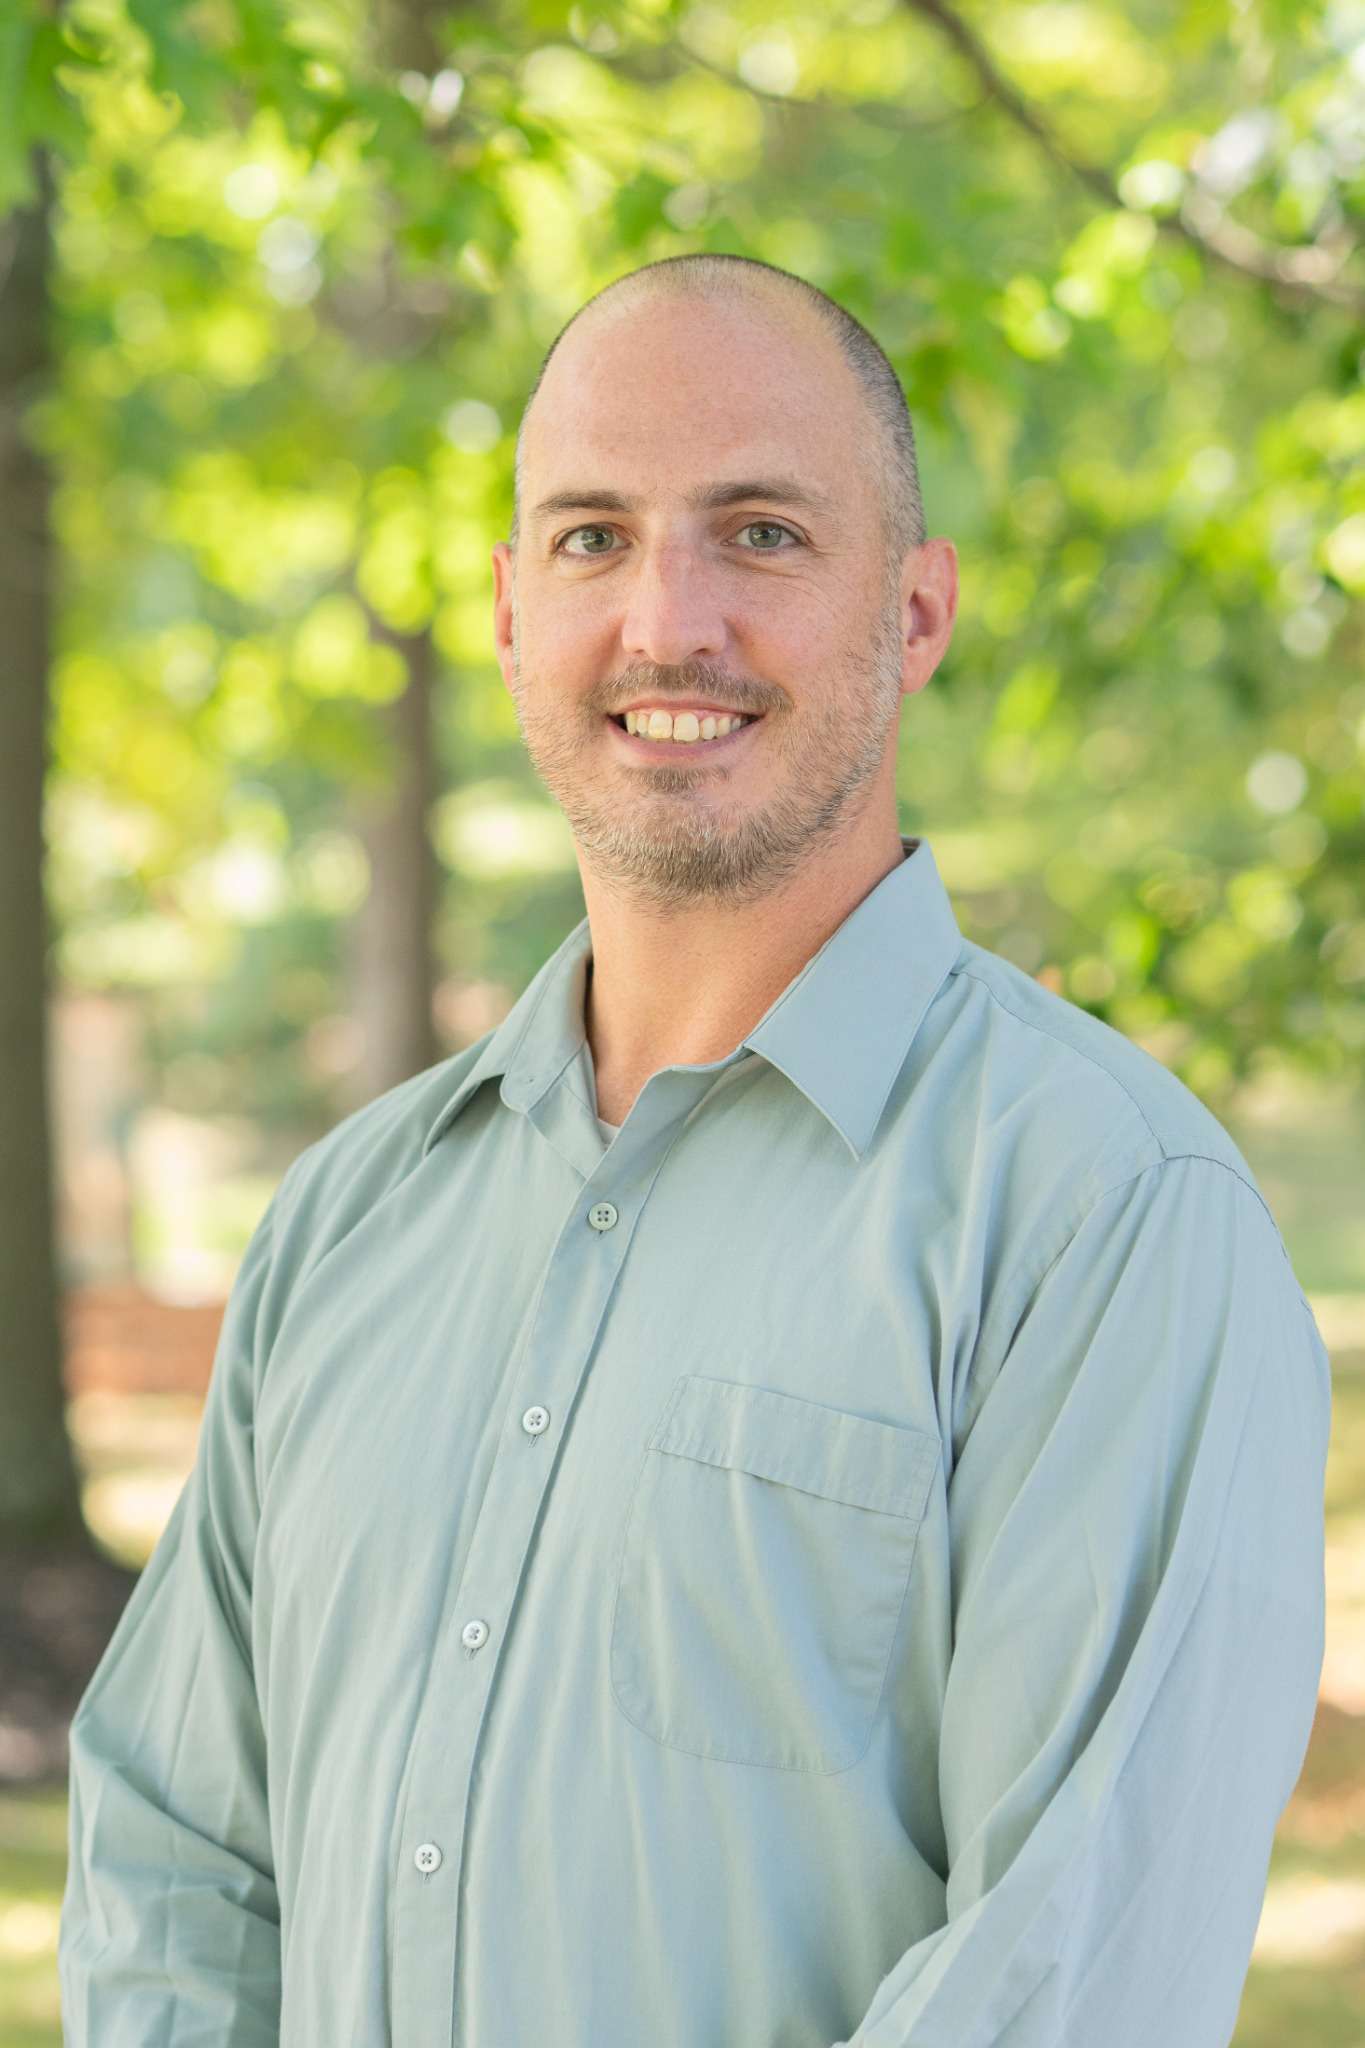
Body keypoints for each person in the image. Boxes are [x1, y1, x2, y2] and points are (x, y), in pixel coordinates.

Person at [58, 253, 1330, 2048]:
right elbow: (181, 1866)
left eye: (759, 533)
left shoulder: (1106, 1220)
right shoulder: (348, 1225)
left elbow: (1066, 1981)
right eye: (592, 538)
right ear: (507, 611)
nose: (668, 623)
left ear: (912, 613)